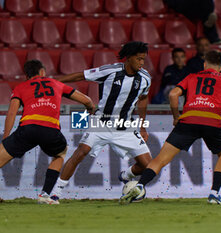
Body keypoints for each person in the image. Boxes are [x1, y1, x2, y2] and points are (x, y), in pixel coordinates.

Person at [119, 50, 221, 205]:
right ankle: (214, 194)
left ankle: (140, 185)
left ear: (204, 64)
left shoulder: (192, 77)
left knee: (161, 159)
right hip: (212, 121)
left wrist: (176, 117)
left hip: (188, 120)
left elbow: (173, 94)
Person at [0, 60, 95, 205]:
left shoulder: (20, 88)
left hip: (27, 129)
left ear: (26, 75)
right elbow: (86, 99)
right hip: (50, 129)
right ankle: (45, 195)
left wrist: (4, 140)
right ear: (42, 72)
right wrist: (90, 109)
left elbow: (11, 114)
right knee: (60, 154)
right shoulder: (56, 83)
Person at [50, 41, 153, 202]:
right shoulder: (111, 71)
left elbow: (144, 98)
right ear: (129, 57)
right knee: (81, 152)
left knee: (149, 166)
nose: (141, 63)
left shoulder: (145, 78)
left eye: (143, 60)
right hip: (102, 122)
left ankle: (126, 175)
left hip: (125, 126)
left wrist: (142, 126)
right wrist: (54, 84)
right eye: (139, 59)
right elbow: (81, 75)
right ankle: (56, 193)